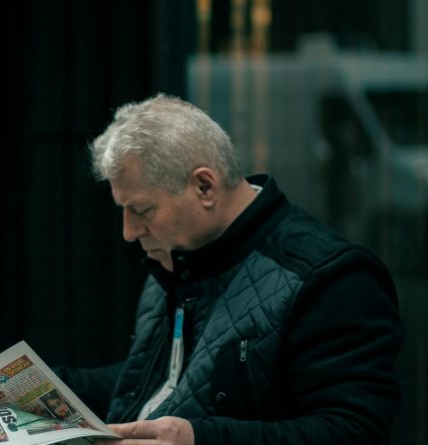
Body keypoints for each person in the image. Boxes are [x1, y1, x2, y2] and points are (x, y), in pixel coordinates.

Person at [56, 94, 403, 445]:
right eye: (124, 210)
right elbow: (161, 383)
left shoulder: (330, 277)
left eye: (142, 210)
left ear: (205, 187)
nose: (129, 232)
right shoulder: (177, 255)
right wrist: (48, 389)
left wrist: (197, 439)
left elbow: (354, 431)